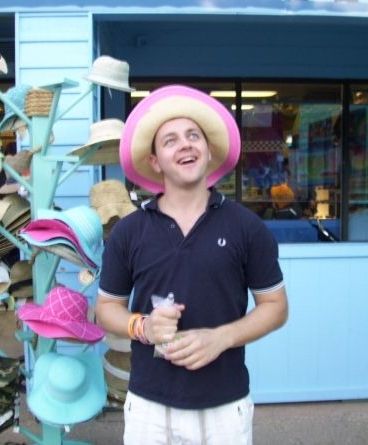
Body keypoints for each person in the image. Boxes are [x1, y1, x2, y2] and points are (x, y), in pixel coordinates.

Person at [95, 85, 288, 444]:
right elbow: (106, 309)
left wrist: (221, 338)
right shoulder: (128, 232)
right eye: (170, 140)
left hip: (225, 408)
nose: (185, 145)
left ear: (209, 151)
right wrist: (143, 326)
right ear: (155, 162)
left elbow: (276, 307)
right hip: (149, 409)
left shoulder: (246, 227)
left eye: (193, 136)